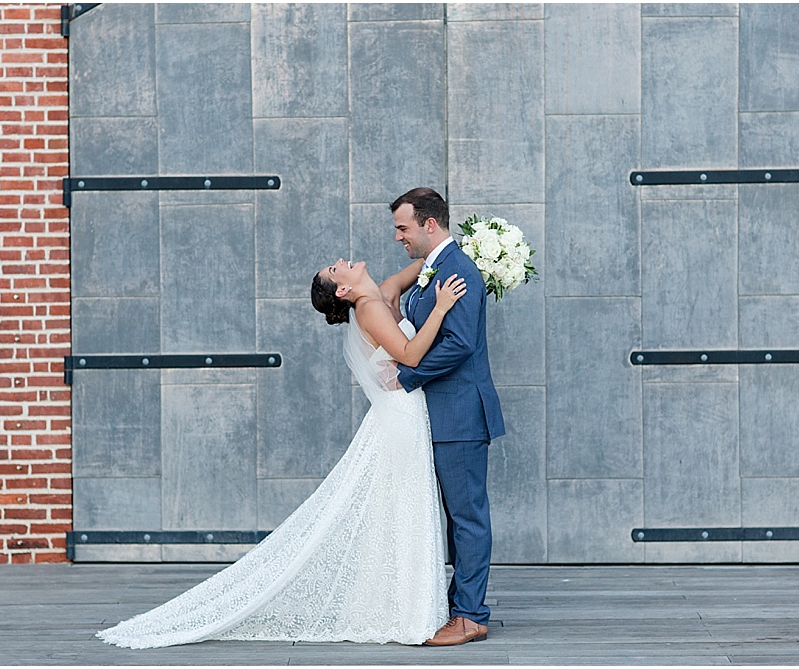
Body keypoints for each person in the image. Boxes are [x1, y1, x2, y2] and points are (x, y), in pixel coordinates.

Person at [95, 258, 467, 648]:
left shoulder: (383, 293)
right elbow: (408, 356)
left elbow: (425, 263)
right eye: (336, 269)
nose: (342, 262)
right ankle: (405, 609)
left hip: (405, 415)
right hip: (400, 420)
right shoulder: (371, 308)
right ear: (343, 291)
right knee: (403, 507)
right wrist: (440, 308)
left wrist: (470, 250)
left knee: (398, 509)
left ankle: (401, 602)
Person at [390, 187, 506, 646]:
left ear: (429, 224)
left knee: (468, 517)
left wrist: (405, 377)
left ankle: (472, 615)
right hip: (442, 415)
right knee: (454, 518)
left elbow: (459, 344)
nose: (398, 236)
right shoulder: (433, 268)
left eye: (403, 227)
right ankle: (458, 606)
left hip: (460, 414)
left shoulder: (458, 270)